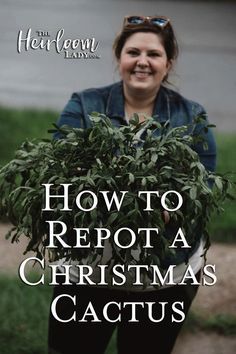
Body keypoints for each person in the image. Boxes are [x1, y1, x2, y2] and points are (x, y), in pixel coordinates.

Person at [48, 15, 216, 354]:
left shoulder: (191, 115)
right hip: (89, 271)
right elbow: (61, 172)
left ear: (168, 63)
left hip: (163, 279)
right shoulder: (84, 104)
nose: (142, 62)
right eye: (133, 52)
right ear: (119, 58)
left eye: (153, 54)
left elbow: (202, 189)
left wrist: (171, 210)